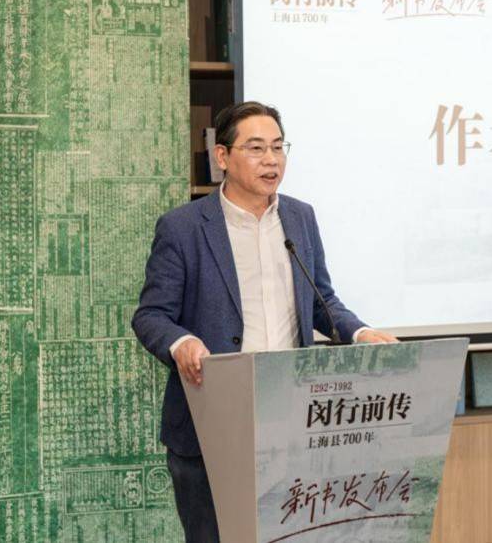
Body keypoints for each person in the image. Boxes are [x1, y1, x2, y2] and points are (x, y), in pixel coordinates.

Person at [131, 101, 396, 543]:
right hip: (212, 421)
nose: (271, 160)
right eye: (255, 148)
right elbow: (152, 315)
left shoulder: (300, 217)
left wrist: (359, 332)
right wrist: (182, 343)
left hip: (291, 418)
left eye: (278, 147)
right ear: (222, 156)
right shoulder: (183, 228)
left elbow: (321, 300)